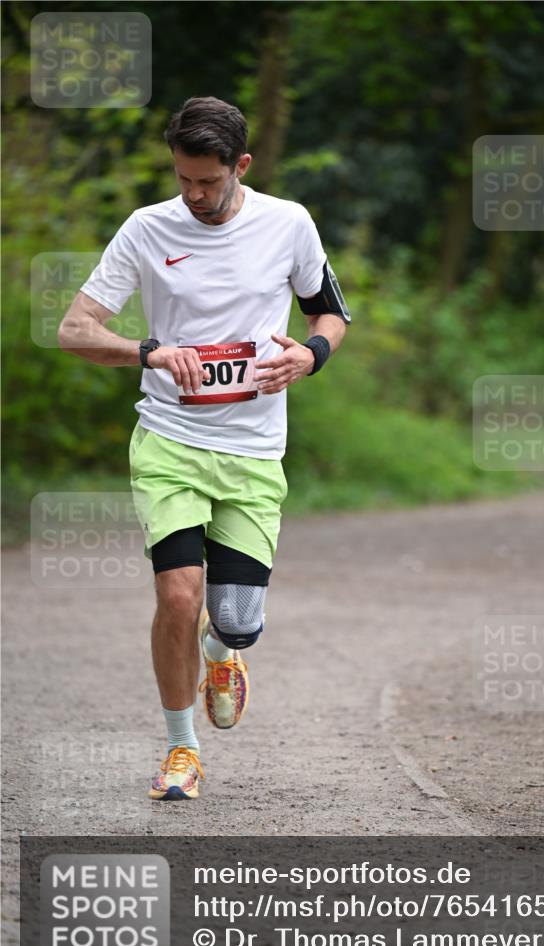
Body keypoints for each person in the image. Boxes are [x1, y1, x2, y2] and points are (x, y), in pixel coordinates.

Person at [57, 96, 351, 801]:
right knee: (178, 598)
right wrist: (148, 353)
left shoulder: (289, 224)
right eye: (183, 179)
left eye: (207, 182)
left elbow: (329, 314)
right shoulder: (146, 228)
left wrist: (310, 357)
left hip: (252, 451)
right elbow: (75, 330)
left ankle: (224, 656)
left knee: (237, 621)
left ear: (240, 166)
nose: (192, 195)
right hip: (170, 441)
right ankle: (181, 750)